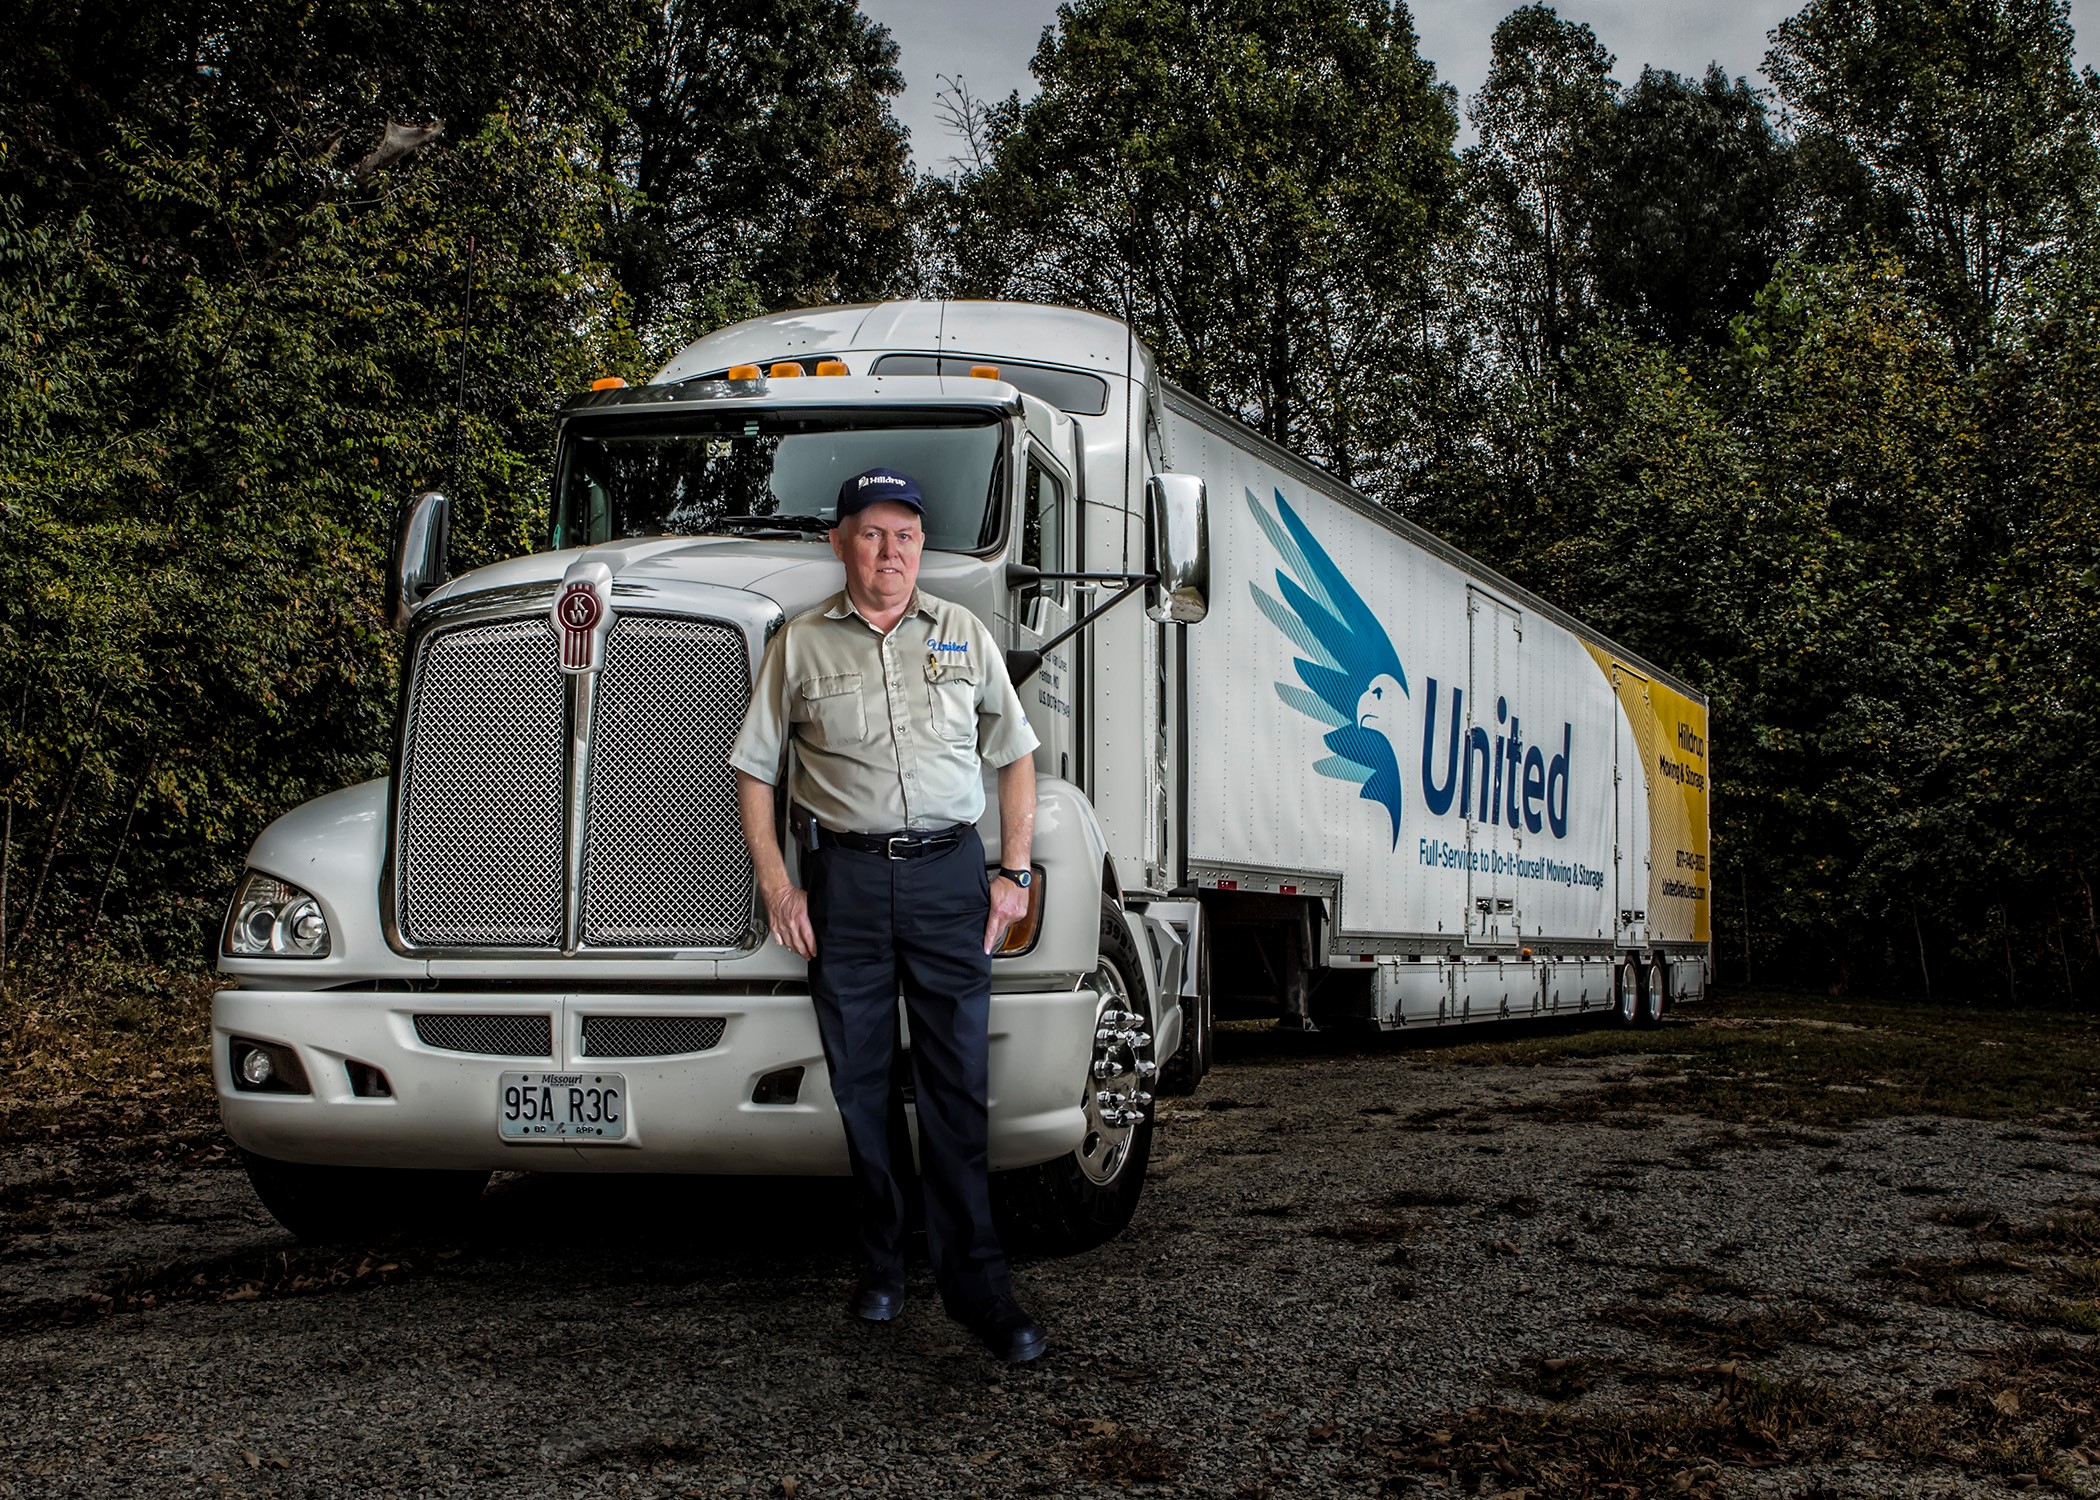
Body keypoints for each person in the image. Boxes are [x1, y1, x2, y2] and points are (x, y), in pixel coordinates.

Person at [729, 466, 1047, 1364]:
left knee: (954, 1093)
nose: (891, 552)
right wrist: (779, 888)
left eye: (905, 535)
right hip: (849, 888)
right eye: (872, 534)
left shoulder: (963, 633)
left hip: (950, 882)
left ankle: (980, 1290)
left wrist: (1012, 873)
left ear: (920, 547)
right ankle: (881, 1266)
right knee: (862, 1090)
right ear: (841, 543)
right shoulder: (798, 645)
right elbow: (755, 769)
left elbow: (1015, 753)